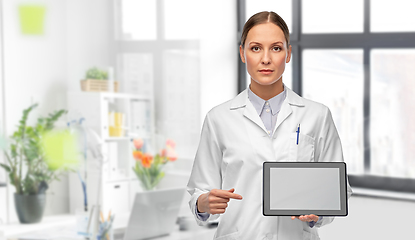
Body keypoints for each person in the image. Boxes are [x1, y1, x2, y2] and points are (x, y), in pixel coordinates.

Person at [187, 11, 352, 240]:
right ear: (242, 53)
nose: (266, 59)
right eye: (255, 48)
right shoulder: (219, 118)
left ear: (288, 53)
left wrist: (319, 212)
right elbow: (199, 190)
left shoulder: (318, 116)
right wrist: (203, 203)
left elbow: (339, 189)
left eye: (276, 48)